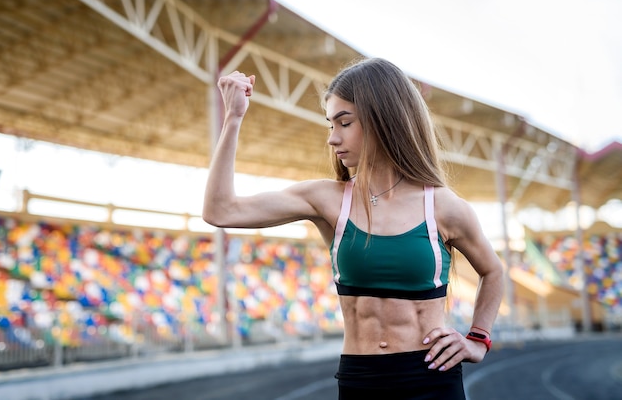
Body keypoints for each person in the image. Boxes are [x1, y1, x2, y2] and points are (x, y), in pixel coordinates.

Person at [203, 57, 504, 399]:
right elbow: (221, 210)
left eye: (344, 123)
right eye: (330, 125)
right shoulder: (327, 199)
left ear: (383, 121)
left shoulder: (444, 206)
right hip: (360, 381)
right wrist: (233, 118)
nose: (333, 138)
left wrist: (478, 338)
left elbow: (493, 271)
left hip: (431, 378)